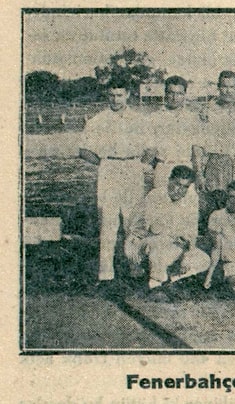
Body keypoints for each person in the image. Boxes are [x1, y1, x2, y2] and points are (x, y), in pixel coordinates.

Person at [79, 77, 151, 286]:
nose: (115, 99)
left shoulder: (139, 120)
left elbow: (151, 148)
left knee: (134, 220)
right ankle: (105, 273)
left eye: (120, 94)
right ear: (107, 95)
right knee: (108, 221)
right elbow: (84, 151)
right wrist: (103, 163)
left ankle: (135, 266)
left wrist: (138, 164)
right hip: (109, 168)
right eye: (111, 95)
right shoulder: (98, 120)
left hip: (132, 168)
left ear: (128, 94)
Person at [125, 166, 210, 301]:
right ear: (169, 180)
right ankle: (155, 285)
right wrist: (177, 235)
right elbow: (154, 229)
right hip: (141, 243)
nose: (179, 190)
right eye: (177, 184)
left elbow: (191, 232)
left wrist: (187, 253)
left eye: (185, 187)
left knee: (204, 259)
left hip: (173, 245)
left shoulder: (191, 200)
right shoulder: (156, 195)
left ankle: (172, 281)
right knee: (160, 243)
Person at [193, 71, 235, 195]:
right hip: (216, 164)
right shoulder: (208, 112)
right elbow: (198, 145)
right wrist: (199, 173)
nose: (228, 91)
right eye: (224, 86)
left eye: (232, 87)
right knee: (216, 205)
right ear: (218, 87)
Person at [148, 76, 199, 189]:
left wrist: (198, 173)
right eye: (171, 93)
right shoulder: (154, 117)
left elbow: (196, 149)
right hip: (164, 167)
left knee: (186, 204)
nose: (175, 98)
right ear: (165, 93)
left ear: (185, 94)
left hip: (186, 167)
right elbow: (150, 148)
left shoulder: (192, 118)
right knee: (161, 203)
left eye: (179, 93)